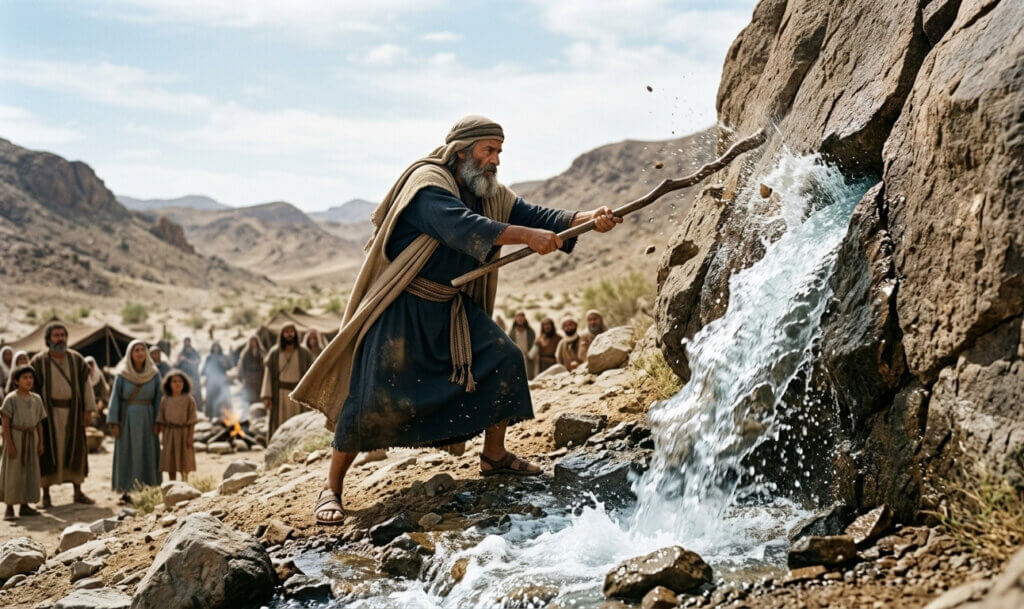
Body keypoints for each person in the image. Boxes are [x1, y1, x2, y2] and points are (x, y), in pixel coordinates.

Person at [291, 115, 621, 525]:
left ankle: (494, 456)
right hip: (402, 308)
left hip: (450, 307)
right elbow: (463, 227)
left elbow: (537, 215)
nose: (495, 160)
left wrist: (588, 218)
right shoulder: (427, 185)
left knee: (505, 358)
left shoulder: (489, 193)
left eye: (499, 152)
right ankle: (332, 487)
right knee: (368, 395)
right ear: (461, 151)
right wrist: (525, 236)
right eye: (488, 150)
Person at [31, 323, 97, 507]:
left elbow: (86, 387)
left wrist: (88, 410)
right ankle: (46, 495)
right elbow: (32, 390)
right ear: (48, 339)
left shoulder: (77, 360)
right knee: (46, 452)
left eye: (62, 335)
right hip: (47, 415)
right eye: (56, 335)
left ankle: (78, 492)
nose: (60, 339)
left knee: (76, 450)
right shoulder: (38, 362)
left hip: (74, 414)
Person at [107, 340, 161, 503]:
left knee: (148, 452)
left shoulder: (154, 374)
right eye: (136, 350)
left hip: (148, 418)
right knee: (127, 453)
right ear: (130, 354)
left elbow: (159, 399)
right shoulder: (122, 375)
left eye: (142, 350)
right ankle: (126, 490)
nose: (140, 353)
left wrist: (158, 421)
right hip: (127, 419)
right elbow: (115, 399)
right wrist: (114, 422)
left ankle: (150, 488)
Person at [0, 365, 46, 520]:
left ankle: (25, 505)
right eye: (25, 377)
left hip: (31, 438)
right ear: (16, 381)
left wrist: (40, 442)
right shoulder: (11, 399)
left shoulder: (37, 399)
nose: (29, 380)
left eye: (31, 377)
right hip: (16, 438)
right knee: (13, 472)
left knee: (29, 471)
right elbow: (5, 423)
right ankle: (9, 507)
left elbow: (39, 423)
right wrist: (10, 445)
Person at [261, 323, 313, 441]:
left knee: (299, 423)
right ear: (282, 334)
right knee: (280, 425)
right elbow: (268, 375)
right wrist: (267, 396)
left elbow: (311, 373)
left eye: (291, 331)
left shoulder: (304, 353)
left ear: (295, 334)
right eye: (287, 332)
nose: (289, 334)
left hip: (298, 395)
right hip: (280, 395)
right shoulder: (274, 353)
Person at [156, 370, 197, 482]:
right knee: (171, 461)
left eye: (180, 381)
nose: (177, 384)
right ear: (169, 384)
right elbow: (162, 420)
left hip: (184, 433)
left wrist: (190, 436)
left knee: (184, 459)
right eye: (174, 381)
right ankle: (172, 483)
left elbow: (192, 420)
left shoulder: (188, 399)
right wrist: (163, 436)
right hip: (170, 434)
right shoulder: (165, 400)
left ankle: (185, 482)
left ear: (184, 383)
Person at [201, 342, 233, 418]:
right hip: (212, 381)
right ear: (212, 348)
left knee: (223, 397)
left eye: (217, 347)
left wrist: (224, 363)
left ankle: (224, 414)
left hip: (221, 381)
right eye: (214, 347)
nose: (216, 349)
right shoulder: (209, 357)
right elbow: (204, 370)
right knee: (211, 398)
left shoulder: (223, 357)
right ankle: (211, 415)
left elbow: (229, 367)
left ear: (219, 348)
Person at [507, 311, 537, 379]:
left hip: (528, 357)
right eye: (518, 318)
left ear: (524, 319)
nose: (520, 320)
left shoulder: (530, 332)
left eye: (521, 318)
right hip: (516, 357)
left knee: (529, 376)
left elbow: (534, 344)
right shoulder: (512, 332)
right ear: (515, 319)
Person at [84, 356, 110, 430]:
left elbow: (104, 392)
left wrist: (102, 402)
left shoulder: (99, 376)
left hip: (98, 404)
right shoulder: (82, 378)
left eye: (91, 365)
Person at [238, 335, 265, 406]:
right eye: (252, 341)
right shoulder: (246, 353)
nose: (253, 343)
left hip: (259, 376)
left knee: (259, 393)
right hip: (249, 377)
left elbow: (264, 365)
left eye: (255, 341)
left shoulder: (261, 352)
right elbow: (242, 366)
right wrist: (243, 376)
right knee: (250, 394)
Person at [174, 338, 202, 405]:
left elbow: (197, 362)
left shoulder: (195, 352)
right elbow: (176, 365)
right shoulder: (181, 353)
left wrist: (186, 360)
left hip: (194, 376)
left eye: (188, 342)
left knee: (196, 394)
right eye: (185, 342)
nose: (187, 344)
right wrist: (179, 360)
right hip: (184, 377)